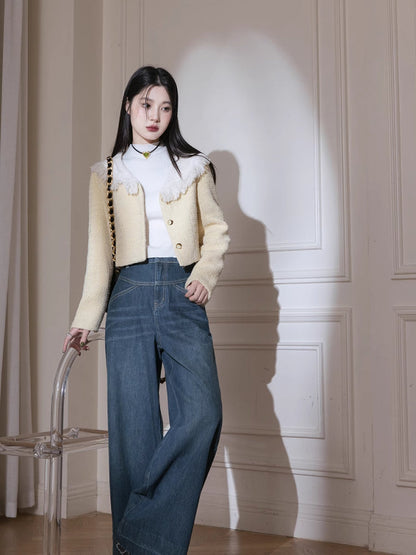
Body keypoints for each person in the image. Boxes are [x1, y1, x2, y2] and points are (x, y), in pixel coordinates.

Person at [62, 66, 229, 555]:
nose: (155, 116)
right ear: (128, 107)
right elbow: (99, 253)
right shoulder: (107, 173)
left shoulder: (193, 166)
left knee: (203, 414)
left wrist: (204, 276)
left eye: (165, 107)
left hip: (182, 291)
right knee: (133, 433)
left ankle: (136, 538)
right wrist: (85, 319)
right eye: (146, 104)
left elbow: (216, 231)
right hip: (128, 297)